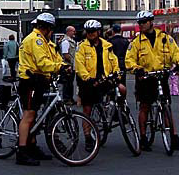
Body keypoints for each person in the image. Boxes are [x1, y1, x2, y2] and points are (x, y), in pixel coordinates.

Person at [125, 11, 179, 152]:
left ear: (151, 22)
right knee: (144, 106)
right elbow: (129, 59)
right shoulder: (136, 42)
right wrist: (137, 69)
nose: (141, 25)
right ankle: (143, 137)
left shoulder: (165, 38)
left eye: (144, 22)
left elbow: (176, 53)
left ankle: (174, 137)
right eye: (139, 23)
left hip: (161, 76)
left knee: (166, 105)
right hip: (145, 78)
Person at [16, 13, 67, 166]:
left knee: (35, 114)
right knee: (29, 115)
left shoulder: (45, 42)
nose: (51, 31)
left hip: (39, 81)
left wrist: (62, 66)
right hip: (30, 81)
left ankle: (31, 146)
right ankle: (22, 151)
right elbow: (42, 62)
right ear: (47, 27)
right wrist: (60, 67)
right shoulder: (35, 40)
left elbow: (54, 58)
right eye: (51, 28)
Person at [75, 20, 123, 151]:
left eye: (93, 31)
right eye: (88, 31)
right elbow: (79, 65)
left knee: (122, 89)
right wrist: (87, 79)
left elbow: (114, 61)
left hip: (105, 78)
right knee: (87, 110)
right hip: (90, 81)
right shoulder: (82, 47)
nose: (90, 34)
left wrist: (117, 75)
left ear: (99, 32)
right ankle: (88, 138)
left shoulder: (107, 45)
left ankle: (120, 111)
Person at [59, 26, 77, 104]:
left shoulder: (71, 41)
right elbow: (65, 54)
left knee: (70, 83)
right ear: (68, 31)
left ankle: (70, 98)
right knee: (67, 83)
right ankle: (67, 99)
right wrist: (71, 62)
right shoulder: (65, 41)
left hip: (71, 65)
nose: (74, 33)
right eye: (73, 31)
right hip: (67, 66)